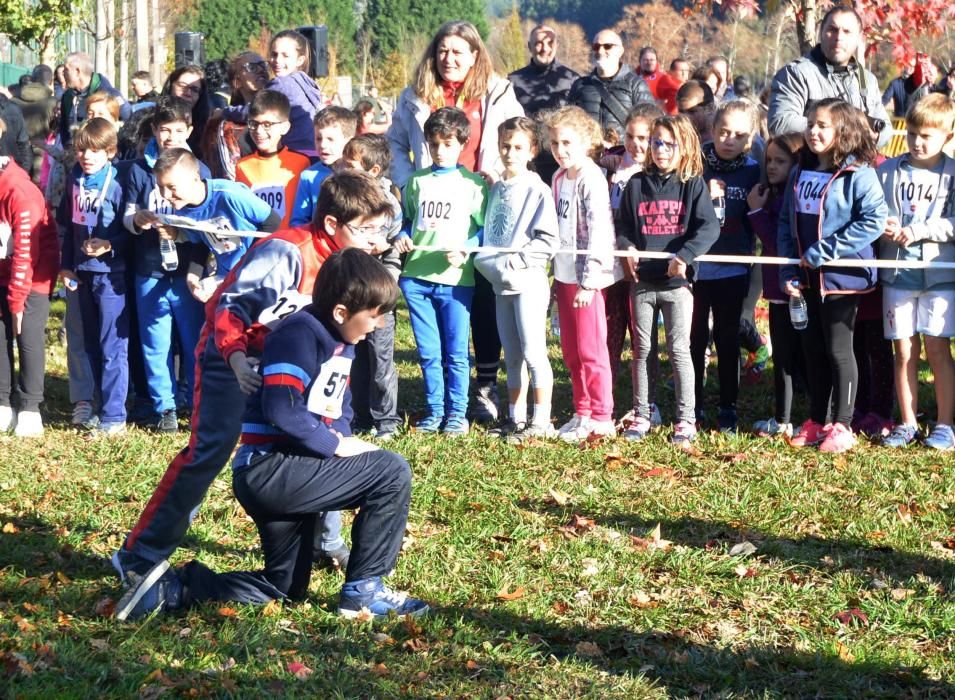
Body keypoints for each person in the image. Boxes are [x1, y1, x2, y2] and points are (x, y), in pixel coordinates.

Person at [115, 249, 428, 621]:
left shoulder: (341, 341)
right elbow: (282, 408)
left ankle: (173, 588)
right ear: (342, 312)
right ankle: (364, 592)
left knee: (285, 588)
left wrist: (344, 445)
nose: (377, 325)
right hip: (269, 470)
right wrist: (335, 445)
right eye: (374, 317)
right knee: (391, 472)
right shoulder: (299, 335)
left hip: (287, 472)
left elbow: (337, 413)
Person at [111, 170, 391, 585]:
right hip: (235, 361)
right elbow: (230, 308)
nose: (376, 241)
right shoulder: (286, 251)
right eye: (367, 230)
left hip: (295, 364)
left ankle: (321, 543)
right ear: (332, 225)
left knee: (327, 438)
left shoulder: (351, 263)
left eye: (381, 230)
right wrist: (237, 358)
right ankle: (140, 554)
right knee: (207, 452)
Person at [388, 20, 523, 425]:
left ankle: (483, 383)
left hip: (478, 200)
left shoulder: (497, 92)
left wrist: (497, 173)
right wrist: (404, 179)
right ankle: (438, 400)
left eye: (458, 52)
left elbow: (514, 136)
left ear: (475, 55)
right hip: (430, 202)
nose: (449, 59)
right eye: (443, 50)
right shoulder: (414, 95)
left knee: (482, 290)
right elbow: (395, 142)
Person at [778, 98, 888, 453]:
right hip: (806, 279)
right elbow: (785, 223)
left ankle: (843, 423)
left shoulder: (860, 172)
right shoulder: (799, 169)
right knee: (813, 350)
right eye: (810, 124)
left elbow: (872, 221)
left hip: (843, 277)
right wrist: (789, 267)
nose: (814, 131)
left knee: (839, 350)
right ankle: (817, 420)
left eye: (823, 125)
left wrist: (823, 252)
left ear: (843, 130)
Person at [616, 114, 720, 444]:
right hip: (643, 283)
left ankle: (685, 420)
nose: (660, 150)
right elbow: (623, 226)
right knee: (642, 349)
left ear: (684, 147)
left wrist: (684, 257)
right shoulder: (635, 184)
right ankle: (642, 414)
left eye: (668, 144)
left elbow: (709, 227)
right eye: (656, 142)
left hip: (677, 285)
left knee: (679, 350)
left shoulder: (692, 185)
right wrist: (626, 246)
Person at [393, 108, 487, 435]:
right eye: (433, 144)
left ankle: (457, 413)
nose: (440, 150)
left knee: (456, 352)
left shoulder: (473, 185)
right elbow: (407, 221)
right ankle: (435, 411)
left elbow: (484, 231)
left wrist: (466, 247)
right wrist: (403, 235)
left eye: (447, 143)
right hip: (417, 279)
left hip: (456, 282)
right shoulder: (416, 182)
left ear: (462, 143)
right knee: (429, 352)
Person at [120, 97, 211, 432]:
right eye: (164, 130)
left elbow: (208, 226)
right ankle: (165, 408)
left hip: (187, 272)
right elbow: (127, 216)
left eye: (177, 130)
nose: (170, 137)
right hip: (149, 268)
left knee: (193, 342)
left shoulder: (200, 169)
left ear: (189, 129)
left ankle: (197, 403)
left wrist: (183, 233)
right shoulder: (139, 170)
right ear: (154, 130)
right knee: (154, 342)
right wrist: (138, 220)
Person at [877, 93, 955, 451]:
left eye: (928, 135)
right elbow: (874, 212)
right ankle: (908, 423)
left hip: (939, 276)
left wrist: (922, 230)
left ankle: (944, 424)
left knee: (938, 349)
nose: (918, 142)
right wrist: (885, 225)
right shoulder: (888, 170)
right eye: (912, 134)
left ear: (947, 137)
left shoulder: (952, 173)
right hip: (897, 275)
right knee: (904, 351)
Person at [474, 117, 559, 441]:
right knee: (511, 354)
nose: (510, 152)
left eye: (518, 147)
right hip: (501, 284)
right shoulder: (496, 188)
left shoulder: (537, 189)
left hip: (528, 283)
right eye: (505, 146)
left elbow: (548, 240)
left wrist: (515, 261)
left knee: (534, 352)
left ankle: (540, 420)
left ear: (532, 150)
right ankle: (515, 417)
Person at [545, 106, 618, 441]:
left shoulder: (592, 178)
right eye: (555, 143)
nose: (561, 150)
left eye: (568, 142)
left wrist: (589, 280)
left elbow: (600, 232)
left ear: (586, 141)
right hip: (563, 275)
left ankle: (602, 415)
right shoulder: (559, 178)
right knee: (571, 351)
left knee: (591, 348)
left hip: (587, 279)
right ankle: (582, 410)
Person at [693, 100, 761, 432]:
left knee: (727, 337)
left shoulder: (754, 170)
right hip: (697, 267)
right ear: (713, 129)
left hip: (734, 266)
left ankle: (728, 407)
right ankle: (692, 404)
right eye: (723, 132)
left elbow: (762, 219)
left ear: (749, 138)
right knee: (694, 338)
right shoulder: (697, 163)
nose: (729, 140)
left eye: (738, 134)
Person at [57, 118, 129, 435]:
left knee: (112, 346)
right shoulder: (74, 182)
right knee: (88, 345)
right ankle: (94, 405)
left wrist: (110, 244)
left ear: (110, 152)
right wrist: (66, 265)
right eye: (82, 150)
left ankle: (115, 415)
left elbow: (133, 234)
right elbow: (64, 228)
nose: (87, 157)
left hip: (111, 276)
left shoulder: (119, 184)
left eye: (95, 151)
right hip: (80, 274)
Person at [600, 103, 665, 427]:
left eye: (644, 137)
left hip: (643, 270)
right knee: (609, 336)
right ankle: (604, 404)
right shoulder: (611, 168)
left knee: (644, 342)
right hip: (610, 268)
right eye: (630, 136)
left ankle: (648, 404)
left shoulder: (659, 176)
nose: (637, 144)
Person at [339, 134, 403, 440]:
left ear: (373, 171)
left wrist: (384, 243)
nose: (342, 167)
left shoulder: (386, 202)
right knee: (356, 356)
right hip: (352, 288)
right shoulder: (345, 197)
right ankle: (360, 415)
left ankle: (387, 420)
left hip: (378, 290)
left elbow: (383, 240)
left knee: (380, 357)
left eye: (350, 164)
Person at [0, 131, 60, 437]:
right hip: (3, 268)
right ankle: (2, 402)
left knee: (27, 335)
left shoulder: (20, 194)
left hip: (34, 272)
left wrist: (16, 300)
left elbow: (26, 251)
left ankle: (30, 406)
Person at [748, 132, 805, 438]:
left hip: (794, 290)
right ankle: (782, 417)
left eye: (780, 161)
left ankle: (800, 417)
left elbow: (778, 244)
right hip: (777, 292)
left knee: (795, 357)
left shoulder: (789, 199)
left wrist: (757, 212)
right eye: (769, 160)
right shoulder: (771, 193)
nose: (771, 166)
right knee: (783, 358)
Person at [768, 7, 891, 147]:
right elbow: (780, 122)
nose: (839, 37)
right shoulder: (796, 74)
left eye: (847, 32)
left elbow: (885, 128)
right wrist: (842, 131)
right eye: (832, 30)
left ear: (859, 38)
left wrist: (876, 136)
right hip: (811, 166)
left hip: (859, 165)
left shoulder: (867, 80)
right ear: (821, 32)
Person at [221, 31, 323, 157]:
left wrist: (224, 112)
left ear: (300, 60)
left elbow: (256, 111)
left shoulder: (282, 84)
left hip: (296, 154)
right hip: (313, 152)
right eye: (274, 55)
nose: (277, 60)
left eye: (285, 55)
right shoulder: (306, 82)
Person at [508, 24, 579, 184]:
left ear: (557, 45)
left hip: (562, 162)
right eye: (538, 43)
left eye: (549, 43)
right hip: (525, 162)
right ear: (529, 47)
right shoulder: (513, 81)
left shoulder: (572, 80)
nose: (544, 48)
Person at [235, 90, 311, 228]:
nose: (259, 131)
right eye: (254, 123)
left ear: (285, 127)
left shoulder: (301, 163)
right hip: (257, 243)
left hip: (291, 243)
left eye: (267, 125)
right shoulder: (242, 166)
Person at [568, 29, 654, 142]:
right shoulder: (580, 85)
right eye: (596, 46)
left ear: (620, 51)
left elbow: (649, 126)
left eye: (607, 46)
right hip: (587, 156)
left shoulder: (636, 85)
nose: (600, 51)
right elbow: (568, 124)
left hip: (623, 155)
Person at [288, 106, 357, 226]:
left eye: (330, 139)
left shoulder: (359, 173)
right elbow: (299, 221)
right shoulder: (308, 176)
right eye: (318, 139)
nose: (323, 145)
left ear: (349, 141)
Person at [59, 52, 131, 148]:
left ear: (77, 71)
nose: (63, 73)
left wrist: (113, 147)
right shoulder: (67, 96)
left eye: (66, 69)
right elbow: (64, 127)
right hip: (77, 157)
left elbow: (128, 119)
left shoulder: (109, 93)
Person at [161, 65, 211, 155]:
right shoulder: (149, 119)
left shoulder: (208, 128)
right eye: (182, 86)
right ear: (170, 86)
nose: (188, 93)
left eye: (194, 90)